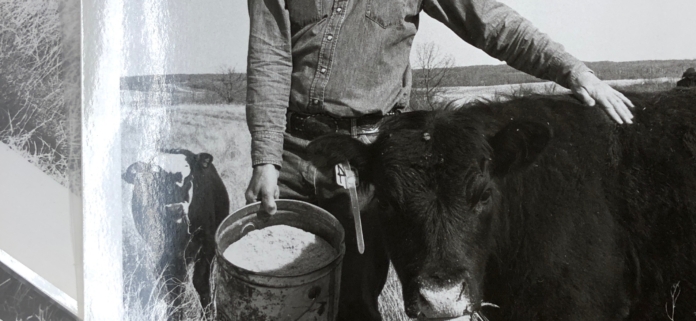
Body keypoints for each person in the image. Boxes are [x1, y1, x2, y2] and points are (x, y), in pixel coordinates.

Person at [243, 0, 635, 319]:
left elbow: (491, 22)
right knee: (269, 299)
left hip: (365, 159)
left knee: (353, 301)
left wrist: (574, 71)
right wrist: (266, 158)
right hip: (290, 150)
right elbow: (269, 53)